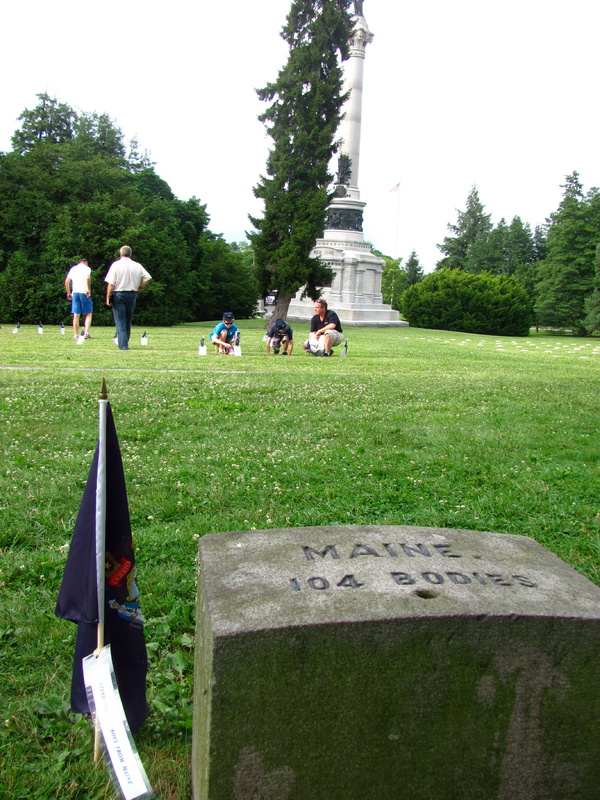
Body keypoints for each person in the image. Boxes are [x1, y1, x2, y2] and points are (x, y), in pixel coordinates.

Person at [105, 246, 152, 350]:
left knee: (120, 320)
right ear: (130, 254)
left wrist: (108, 296)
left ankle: (123, 345)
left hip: (118, 294)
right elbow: (148, 278)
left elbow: (111, 283)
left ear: (120, 254)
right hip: (132, 294)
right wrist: (140, 288)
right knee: (127, 320)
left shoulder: (116, 265)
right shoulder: (137, 265)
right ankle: (125, 342)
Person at [64, 258, 93, 339]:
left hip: (75, 292)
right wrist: (88, 289)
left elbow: (67, 281)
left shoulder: (73, 269)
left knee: (76, 315)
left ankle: (76, 334)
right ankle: (86, 333)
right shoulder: (87, 268)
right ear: (85, 262)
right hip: (84, 292)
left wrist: (68, 292)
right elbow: (88, 278)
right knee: (88, 313)